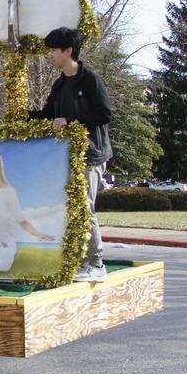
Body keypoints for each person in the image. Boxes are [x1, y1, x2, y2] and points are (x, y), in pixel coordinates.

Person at [29, 26, 112, 282]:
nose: (50, 55)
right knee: (71, 209)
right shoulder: (60, 84)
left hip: (91, 156)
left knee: (85, 208)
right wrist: (23, 115)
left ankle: (96, 264)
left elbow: (103, 114)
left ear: (69, 50)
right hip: (67, 156)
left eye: (54, 50)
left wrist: (70, 120)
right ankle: (76, 260)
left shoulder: (90, 81)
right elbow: (49, 116)